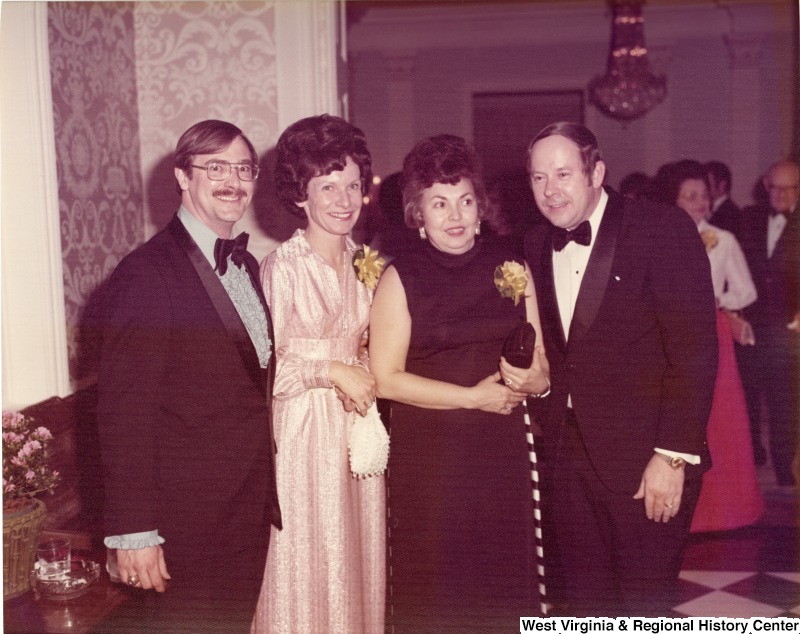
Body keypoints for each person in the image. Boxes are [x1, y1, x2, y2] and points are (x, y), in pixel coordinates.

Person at [523, 122, 718, 616]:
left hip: (646, 461)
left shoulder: (662, 228)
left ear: (597, 172)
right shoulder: (533, 244)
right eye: (538, 177)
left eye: (563, 174)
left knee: (641, 608)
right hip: (566, 459)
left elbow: (695, 352)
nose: (550, 190)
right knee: (582, 608)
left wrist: (672, 457)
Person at [97, 120, 281, 633]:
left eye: (243, 168)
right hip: (182, 522)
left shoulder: (245, 264)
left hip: (244, 510)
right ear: (183, 176)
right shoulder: (145, 274)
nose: (233, 181)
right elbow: (123, 414)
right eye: (215, 167)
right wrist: (134, 532)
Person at [369, 135, 550, 632]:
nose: (455, 215)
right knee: (436, 584)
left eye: (465, 201)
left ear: (480, 207)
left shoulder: (511, 266)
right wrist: (473, 398)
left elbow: (543, 368)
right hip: (431, 455)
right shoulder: (400, 276)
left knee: (501, 576)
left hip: (500, 446)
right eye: (440, 203)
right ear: (417, 213)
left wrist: (531, 381)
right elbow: (386, 379)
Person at [251, 114, 385, 634]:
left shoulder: (363, 262)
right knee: (306, 561)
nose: (343, 199)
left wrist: (369, 360)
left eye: (352, 185)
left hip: (355, 431)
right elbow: (261, 371)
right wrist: (330, 368)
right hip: (300, 438)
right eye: (327, 186)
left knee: (353, 557)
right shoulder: (281, 268)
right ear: (300, 196)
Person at [656, 161, 763, 532]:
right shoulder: (657, 236)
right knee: (675, 415)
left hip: (711, 332)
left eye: (704, 195)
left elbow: (747, 289)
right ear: (675, 199)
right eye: (690, 195)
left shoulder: (724, 240)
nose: (700, 202)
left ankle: (723, 511)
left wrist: (716, 300)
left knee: (717, 418)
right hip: (665, 332)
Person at [737, 159, 800, 487]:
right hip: (751, 325)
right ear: (765, 185)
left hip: (790, 330)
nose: (782, 194)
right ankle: (750, 464)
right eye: (776, 186)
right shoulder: (747, 218)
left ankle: (786, 473)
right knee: (745, 398)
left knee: (783, 403)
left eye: (790, 188)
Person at [705, 160, 742, 236]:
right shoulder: (709, 208)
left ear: (722, 186)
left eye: (708, 183)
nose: (704, 187)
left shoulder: (731, 213)